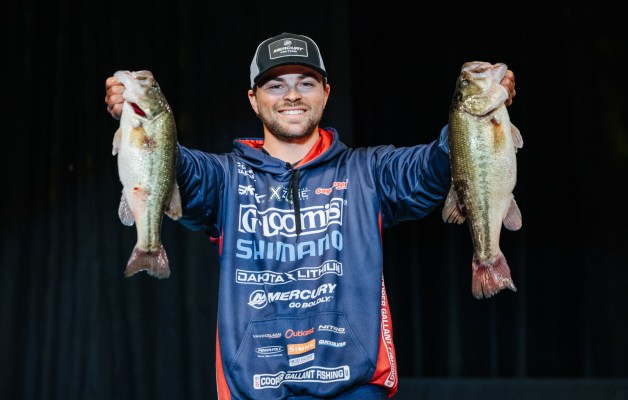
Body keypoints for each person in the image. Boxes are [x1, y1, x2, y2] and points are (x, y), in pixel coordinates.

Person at [104, 32, 516, 400]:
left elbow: (437, 165)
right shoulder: (224, 178)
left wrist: (473, 120)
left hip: (354, 389)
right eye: (275, 85)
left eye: (306, 83)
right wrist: (139, 117)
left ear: (325, 93)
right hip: (255, 389)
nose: (292, 95)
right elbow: (171, 167)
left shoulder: (369, 172)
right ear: (254, 99)